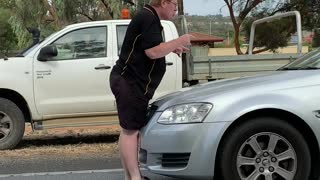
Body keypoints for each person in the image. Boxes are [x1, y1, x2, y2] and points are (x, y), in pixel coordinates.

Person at [109, 0, 192, 179]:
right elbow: (152, 52)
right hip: (129, 83)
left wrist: (172, 47)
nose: (175, 11)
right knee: (131, 132)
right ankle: (135, 177)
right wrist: (180, 39)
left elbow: (151, 48)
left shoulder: (149, 17)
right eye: (174, 6)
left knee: (128, 131)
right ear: (163, 2)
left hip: (131, 83)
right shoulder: (148, 18)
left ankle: (130, 176)